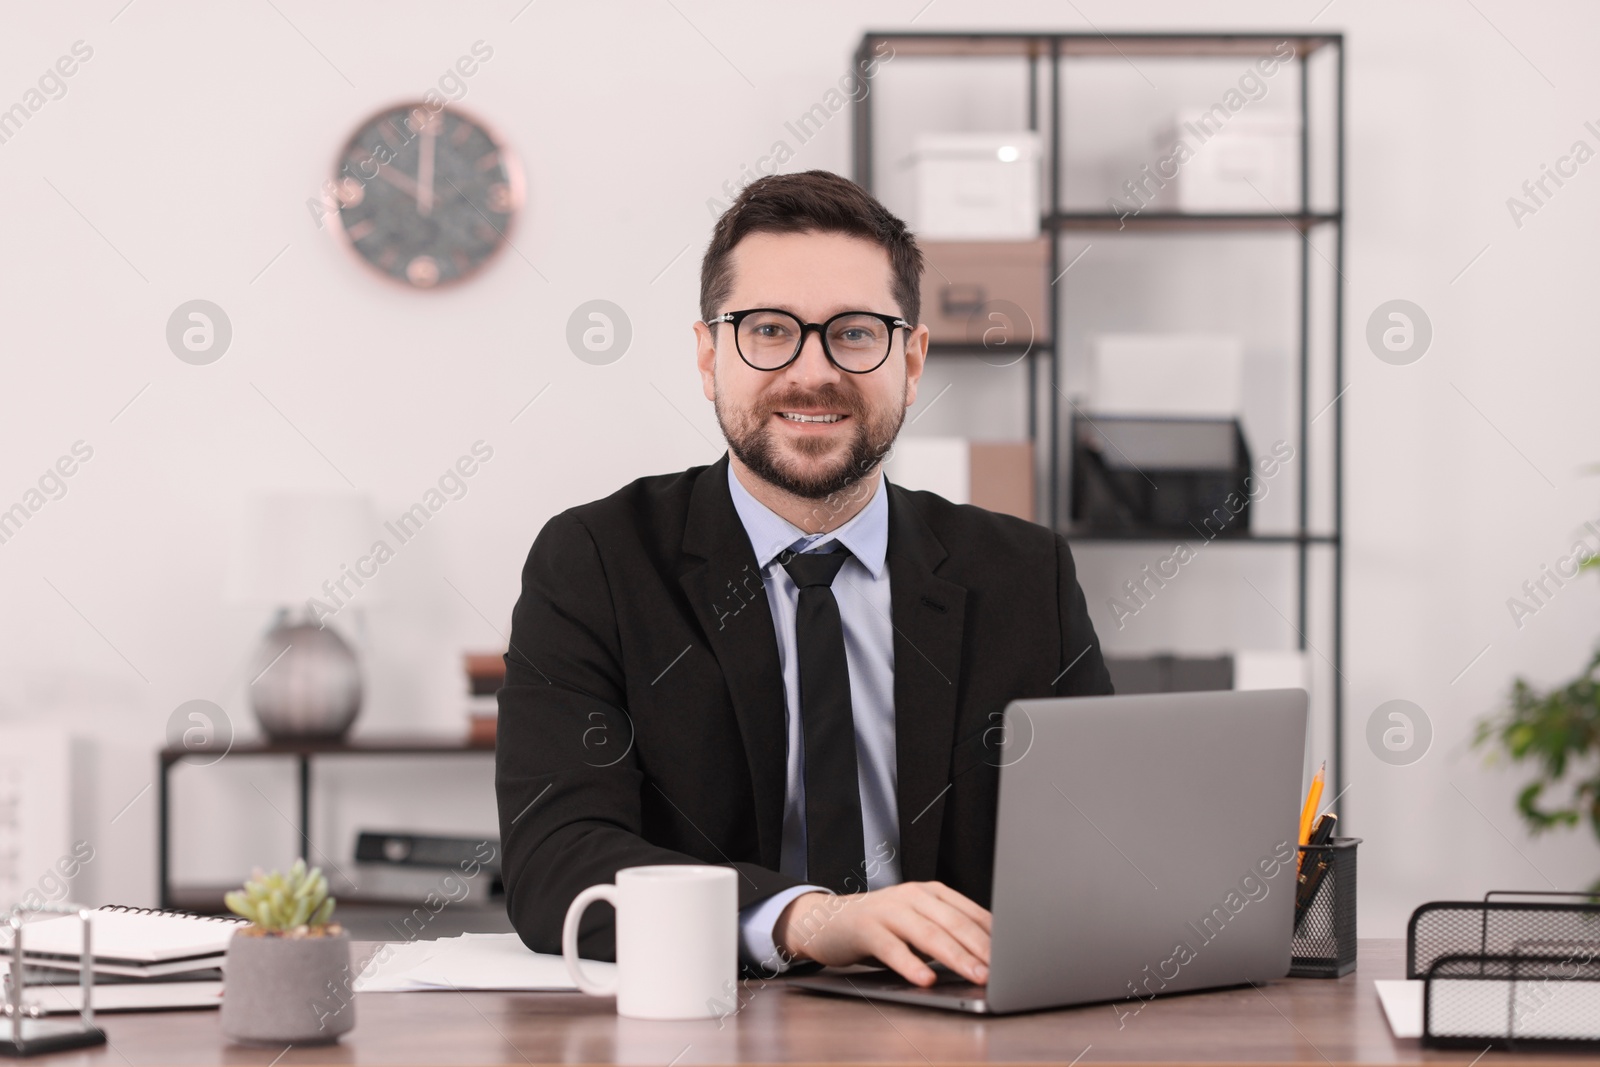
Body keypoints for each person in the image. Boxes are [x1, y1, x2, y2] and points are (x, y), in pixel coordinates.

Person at [496, 169, 1111, 987]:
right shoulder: (596, 563)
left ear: (913, 360)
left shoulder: (1025, 574)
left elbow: (1102, 841)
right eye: (769, 330)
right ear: (710, 356)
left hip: (959, 1025)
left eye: (855, 332)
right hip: (709, 1025)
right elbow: (556, 860)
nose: (812, 371)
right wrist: (807, 918)